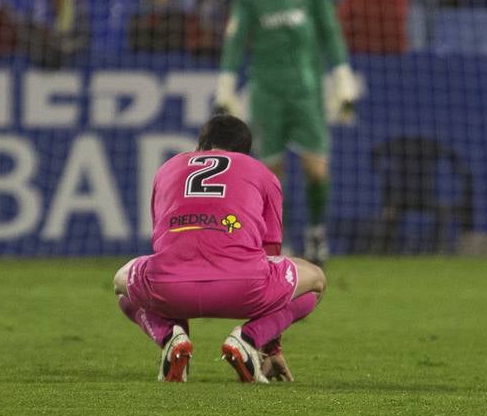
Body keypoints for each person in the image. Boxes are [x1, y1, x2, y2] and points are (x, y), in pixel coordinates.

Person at [113, 113, 327, 383]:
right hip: (244, 289)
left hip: (170, 288)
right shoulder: (261, 172)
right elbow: (271, 253)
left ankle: (170, 338)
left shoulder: (168, 168)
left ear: (199, 147)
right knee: (316, 280)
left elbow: (164, 245)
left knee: (122, 285)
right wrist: (271, 347)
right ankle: (248, 339)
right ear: (245, 154)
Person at [214, 0, 358, 266]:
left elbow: (329, 29)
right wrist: (227, 85)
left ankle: (317, 233)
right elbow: (235, 38)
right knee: (271, 177)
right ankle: (282, 243)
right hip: (266, 92)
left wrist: (342, 76)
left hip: (306, 90)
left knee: (316, 169)